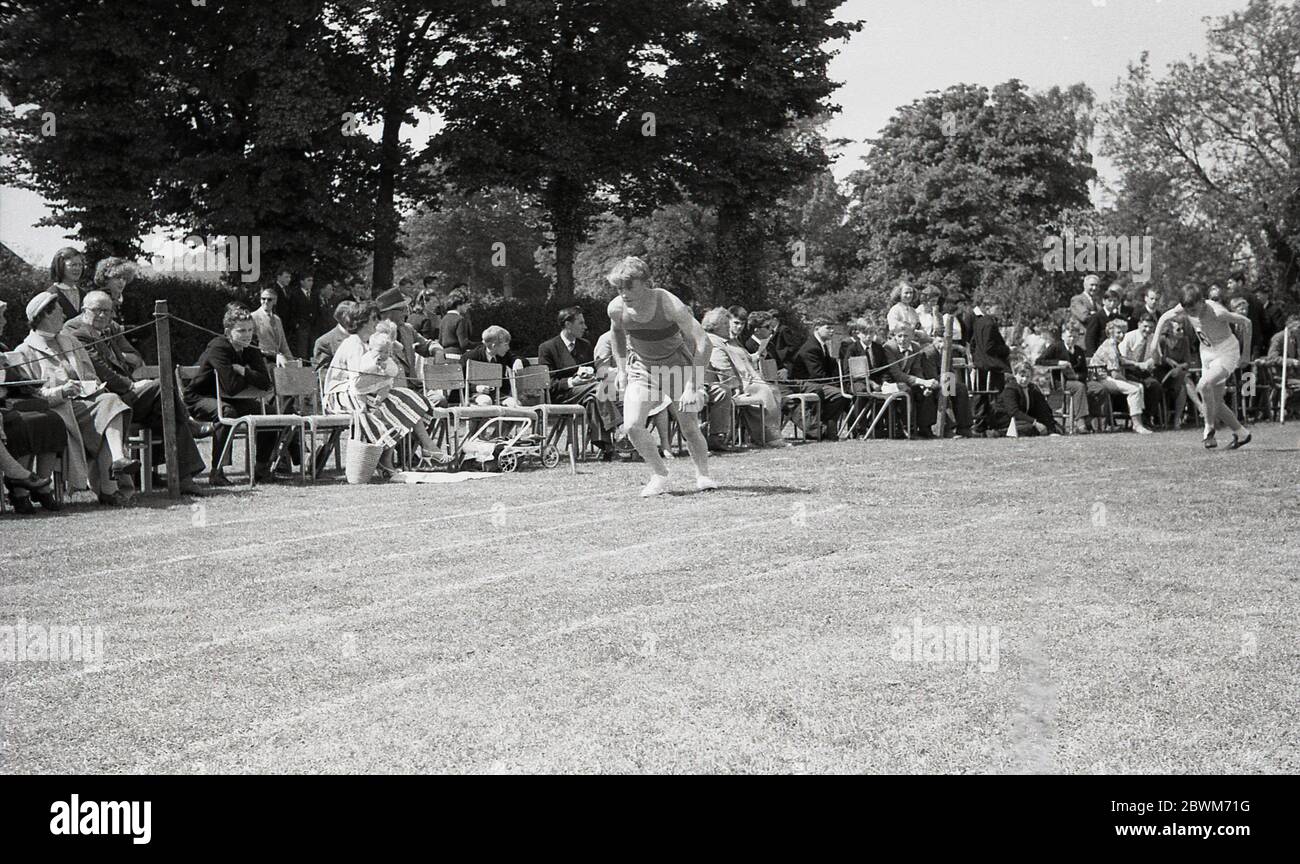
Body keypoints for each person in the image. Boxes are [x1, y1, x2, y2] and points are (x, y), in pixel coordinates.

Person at [65, 291, 206, 494]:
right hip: (108, 401)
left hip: (126, 395)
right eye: (98, 311)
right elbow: (101, 371)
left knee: (167, 413)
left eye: (108, 311)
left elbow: (135, 357)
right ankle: (188, 429)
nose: (103, 316)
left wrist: (129, 372)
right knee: (161, 387)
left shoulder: (108, 330)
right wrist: (131, 386)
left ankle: (182, 477)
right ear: (84, 310)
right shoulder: (78, 334)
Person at [605, 256, 716, 497]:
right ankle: (659, 474)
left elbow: (704, 343)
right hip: (642, 369)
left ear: (646, 282)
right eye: (618, 288)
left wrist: (693, 385)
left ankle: (703, 474)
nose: (623, 293)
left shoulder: (668, 303)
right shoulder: (616, 308)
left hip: (676, 366)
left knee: (689, 427)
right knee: (632, 425)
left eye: (629, 286)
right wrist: (622, 369)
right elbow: (617, 335)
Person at [13, 292, 138, 505]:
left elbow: (89, 374)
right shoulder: (24, 352)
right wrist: (62, 391)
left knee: (110, 401)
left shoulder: (69, 341)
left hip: (84, 403)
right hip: (57, 410)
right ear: (45, 315)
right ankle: (110, 488)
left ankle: (118, 460)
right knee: (108, 413)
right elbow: (32, 395)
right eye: (59, 310)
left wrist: (93, 385)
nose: (64, 314)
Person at [323, 303, 442, 471]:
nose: (376, 322)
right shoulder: (354, 343)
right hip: (339, 396)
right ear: (362, 321)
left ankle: (424, 447)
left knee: (404, 398)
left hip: (360, 393)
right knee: (392, 404)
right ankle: (390, 458)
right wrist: (383, 379)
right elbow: (357, 382)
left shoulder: (367, 343)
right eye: (373, 319)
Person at [185, 305, 281, 485]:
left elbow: (266, 383)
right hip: (200, 398)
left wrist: (243, 371)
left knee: (270, 413)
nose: (247, 335)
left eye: (250, 330)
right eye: (241, 330)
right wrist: (251, 377)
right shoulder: (218, 347)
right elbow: (231, 386)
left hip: (230, 399)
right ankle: (217, 471)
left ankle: (261, 469)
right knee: (227, 413)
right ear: (228, 331)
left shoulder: (250, 348)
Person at [1153, 284, 1253, 449]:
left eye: (1193, 309)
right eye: (1188, 311)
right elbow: (1164, 317)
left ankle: (1208, 428)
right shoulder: (1185, 308)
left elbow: (1246, 322)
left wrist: (1246, 354)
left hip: (1226, 350)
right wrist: (1154, 344)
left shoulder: (1217, 312)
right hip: (1206, 351)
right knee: (1216, 403)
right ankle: (1242, 434)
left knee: (1203, 385)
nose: (1191, 314)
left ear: (1202, 301)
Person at [0, 299, 65, 512]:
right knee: (20, 424)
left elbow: (15, 381)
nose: (4, 321)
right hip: (5, 408)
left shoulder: (2, 349)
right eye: (1, 317)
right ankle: (20, 491)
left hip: (10, 402)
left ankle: (42, 486)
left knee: (52, 419)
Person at [537, 306, 619, 459]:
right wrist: (572, 382)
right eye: (580, 323)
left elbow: (593, 371)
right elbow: (549, 383)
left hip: (588, 393)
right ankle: (618, 431)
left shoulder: (585, 345)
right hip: (562, 396)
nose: (585, 327)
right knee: (599, 389)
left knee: (594, 399)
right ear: (568, 324)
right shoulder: (547, 348)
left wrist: (590, 376)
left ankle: (607, 447)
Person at [701, 307, 785, 448]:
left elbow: (746, 362)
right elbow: (723, 369)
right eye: (726, 325)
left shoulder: (732, 341)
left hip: (747, 381)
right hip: (735, 385)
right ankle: (767, 437)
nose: (729, 327)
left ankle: (770, 434)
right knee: (764, 390)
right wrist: (736, 388)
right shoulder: (714, 342)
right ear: (716, 326)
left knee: (773, 390)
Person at [785, 317, 850, 440]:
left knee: (842, 393)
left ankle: (828, 429)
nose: (832, 331)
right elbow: (817, 375)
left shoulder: (822, 346)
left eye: (833, 328)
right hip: (802, 384)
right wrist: (836, 384)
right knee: (838, 395)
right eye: (828, 328)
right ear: (816, 328)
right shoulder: (811, 348)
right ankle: (823, 428)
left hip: (816, 384)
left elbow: (828, 370)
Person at [1090, 318, 1155, 434]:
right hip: (1101, 378)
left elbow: (1121, 360)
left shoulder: (1114, 345)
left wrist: (1138, 364)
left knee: (1139, 386)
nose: (1122, 335)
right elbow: (1115, 374)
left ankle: (1138, 421)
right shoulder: (1109, 346)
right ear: (1111, 332)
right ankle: (1137, 425)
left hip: (1107, 377)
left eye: (1124, 332)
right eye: (1118, 332)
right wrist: (1127, 382)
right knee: (1134, 389)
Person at [374, 288, 443, 389]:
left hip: (414, 387)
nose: (406, 313)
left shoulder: (407, 329)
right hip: (391, 390)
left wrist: (437, 351)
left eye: (407, 308)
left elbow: (426, 345)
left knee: (439, 399)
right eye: (402, 309)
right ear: (388, 313)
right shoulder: (376, 336)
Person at [1036, 323, 1094, 434]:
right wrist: (1058, 362)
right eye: (1069, 336)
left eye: (1075, 337)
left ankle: (1096, 421)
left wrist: (1077, 376)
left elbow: (1084, 372)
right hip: (1060, 381)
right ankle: (1080, 423)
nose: (1072, 339)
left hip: (1077, 380)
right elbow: (1040, 361)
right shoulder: (1056, 347)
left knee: (1097, 388)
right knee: (1079, 387)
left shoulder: (1079, 350)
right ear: (1063, 336)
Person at [968, 302, 1013, 435]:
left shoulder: (978, 322)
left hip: (981, 365)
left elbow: (973, 344)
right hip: (992, 365)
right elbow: (989, 347)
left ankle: (980, 425)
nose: (1000, 311)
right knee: (995, 395)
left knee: (981, 395)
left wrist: (976, 359)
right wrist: (1005, 349)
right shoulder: (990, 324)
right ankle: (996, 423)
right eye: (997, 308)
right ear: (988, 308)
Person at [1118, 314, 1164, 427]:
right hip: (1128, 371)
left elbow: (1158, 359)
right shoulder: (1129, 337)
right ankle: (1137, 419)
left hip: (1145, 372)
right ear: (1139, 324)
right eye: (1145, 326)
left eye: (1151, 327)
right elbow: (1121, 359)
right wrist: (1137, 364)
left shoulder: (1153, 338)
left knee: (1155, 386)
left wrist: (1152, 361)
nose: (1148, 330)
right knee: (1140, 385)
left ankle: (1148, 417)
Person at [993, 361, 1059, 437]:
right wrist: (1035, 423)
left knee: (1056, 427)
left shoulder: (1033, 388)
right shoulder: (1010, 389)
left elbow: (1043, 409)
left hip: (1024, 421)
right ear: (1015, 375)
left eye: (1028, 377)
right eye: (1022, 376)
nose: (1024, 379)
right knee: (1030, 428)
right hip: (1007, 421)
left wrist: (1051, 429)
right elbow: (1014, 412)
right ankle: (999, 433)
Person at [462, 326, 525, 404]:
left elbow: (518, 359)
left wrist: (517, 361)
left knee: (514, 403)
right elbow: (460, 380)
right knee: (486, 401)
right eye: (505, 345)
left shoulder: (503, 354)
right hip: (476, 395)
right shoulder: (470, 357)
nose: (508, 348)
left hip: (498, 395)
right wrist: (476, 388)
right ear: (494, 346)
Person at [251, 286, 296, 367]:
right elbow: (252, 344)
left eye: (269, 299)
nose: (265, 302)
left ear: (275, 301)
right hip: (262, 363)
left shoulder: (277, 319)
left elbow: (283, 344)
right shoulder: (253, 317)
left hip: (278, 363)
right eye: (263, 299)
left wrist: (292, 363)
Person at [313, 300, 356, 372]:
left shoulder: (364, 335)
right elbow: (323, 375)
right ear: (344, 318)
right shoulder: (324, 342)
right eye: (355, 317)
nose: (360, 320)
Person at [47, 247, 87, 319]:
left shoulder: (84, 294)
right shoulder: (51, 295)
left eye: (80, 265)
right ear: (61, 266)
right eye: (73, 265)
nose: (78, 269)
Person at [439, 286, 476, 358]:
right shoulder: (460, 319)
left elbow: (440, 341)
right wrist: (481, 344)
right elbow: (464, 344)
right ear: (459, 304)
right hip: (456, 356)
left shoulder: (444, 319)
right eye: (466, 303)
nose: (468, 306)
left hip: (444, 355)